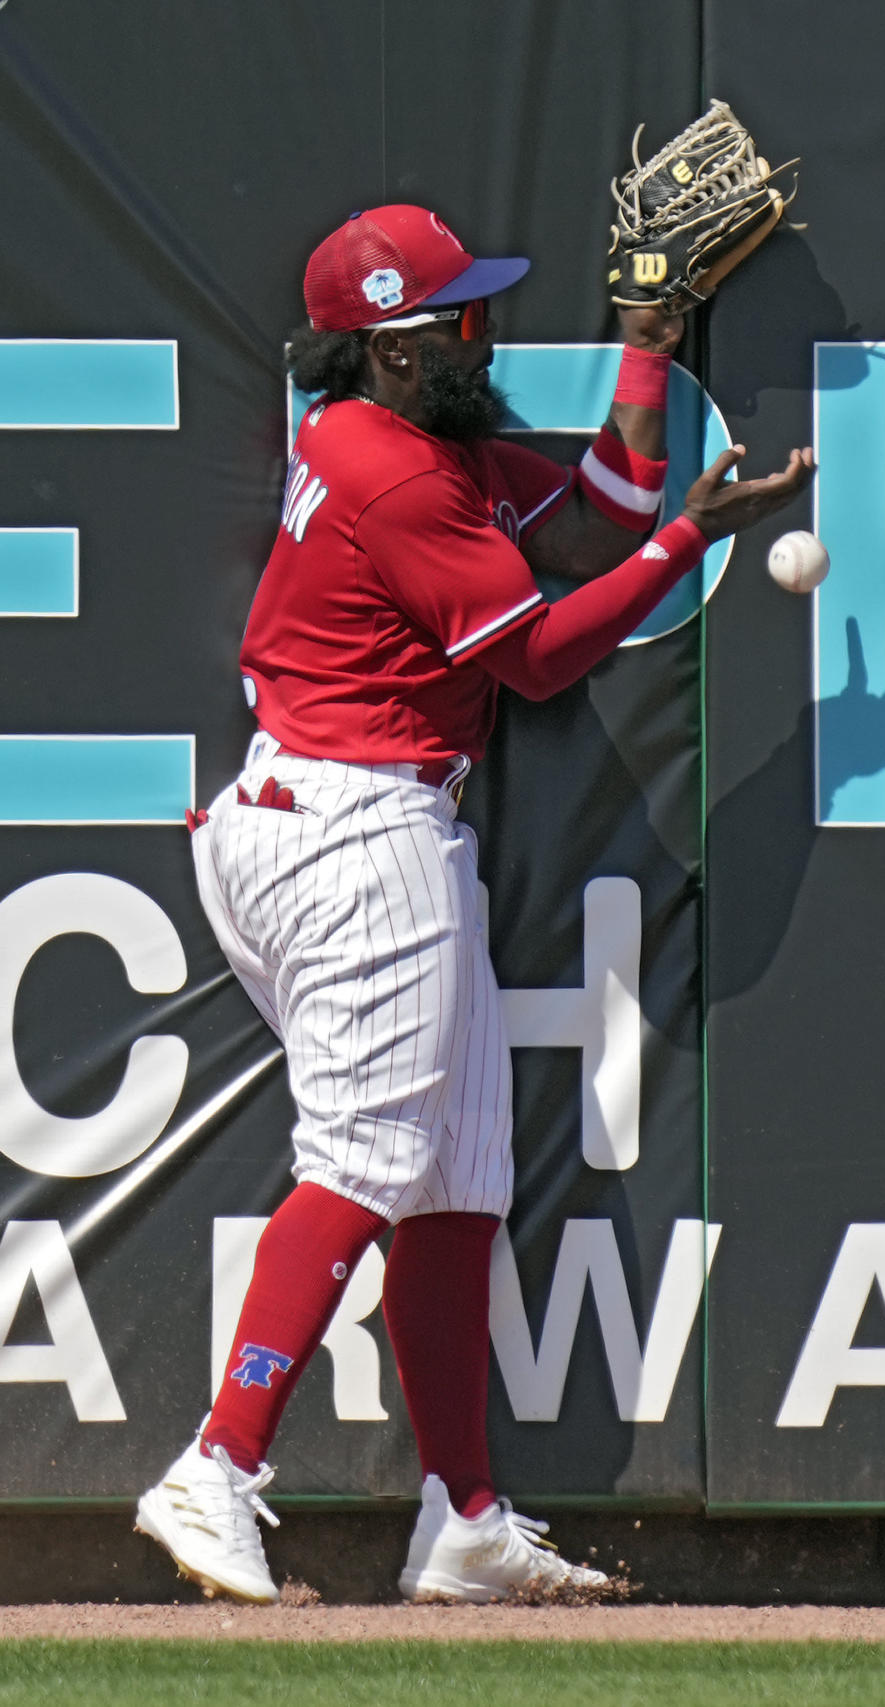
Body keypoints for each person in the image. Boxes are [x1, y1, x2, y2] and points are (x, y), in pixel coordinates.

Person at [135, 203, 814, 1605]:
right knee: (372, 1157)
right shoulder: (394, 473)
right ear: (392, 353)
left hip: (323, 817)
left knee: (457, 1179)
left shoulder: (402, 445)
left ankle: (465, 1519)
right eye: (457, 317)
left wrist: (644, 353)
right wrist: (690, 542)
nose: (481, 330)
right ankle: (218, 1463)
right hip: (350, 827)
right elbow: (550, 656)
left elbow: (595, 520)